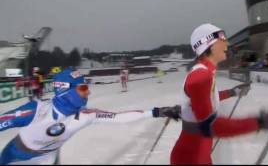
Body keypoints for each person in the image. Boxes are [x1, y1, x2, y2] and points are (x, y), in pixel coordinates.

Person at [170, 23, 268, 165]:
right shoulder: (200, 76)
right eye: (222, 39)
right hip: (190, 159)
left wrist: (232, 92)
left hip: (199, 156)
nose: (227, 43)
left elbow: (207, 99)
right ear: (209, 46)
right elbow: (211, 126)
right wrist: (262, 122)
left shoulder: (205, 73)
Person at [0, 69, 180, 165]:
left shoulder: (86, 115)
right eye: (83, 88)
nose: (89, 92)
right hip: (14, 156)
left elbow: (119, 118)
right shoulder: (36, 110)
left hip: (48, 158)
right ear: (65, 90)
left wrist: (156, 112)